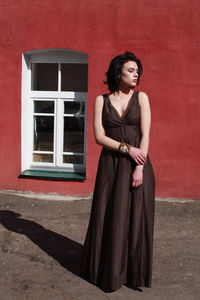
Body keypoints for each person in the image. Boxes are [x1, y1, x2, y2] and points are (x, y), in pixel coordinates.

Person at [81, 52, 156, 293]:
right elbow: (99, 137)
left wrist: (139, 166)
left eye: (138, 71)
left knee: (136, 219)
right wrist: (127, 149)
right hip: (112, 166)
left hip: (139, 166)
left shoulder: (141, 98)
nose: (136, 74)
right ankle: (109, 271)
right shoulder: (101, 101)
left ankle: (133, 273)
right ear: (118, 72)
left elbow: (145, 134)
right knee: (110, 215)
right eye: (131, 70)